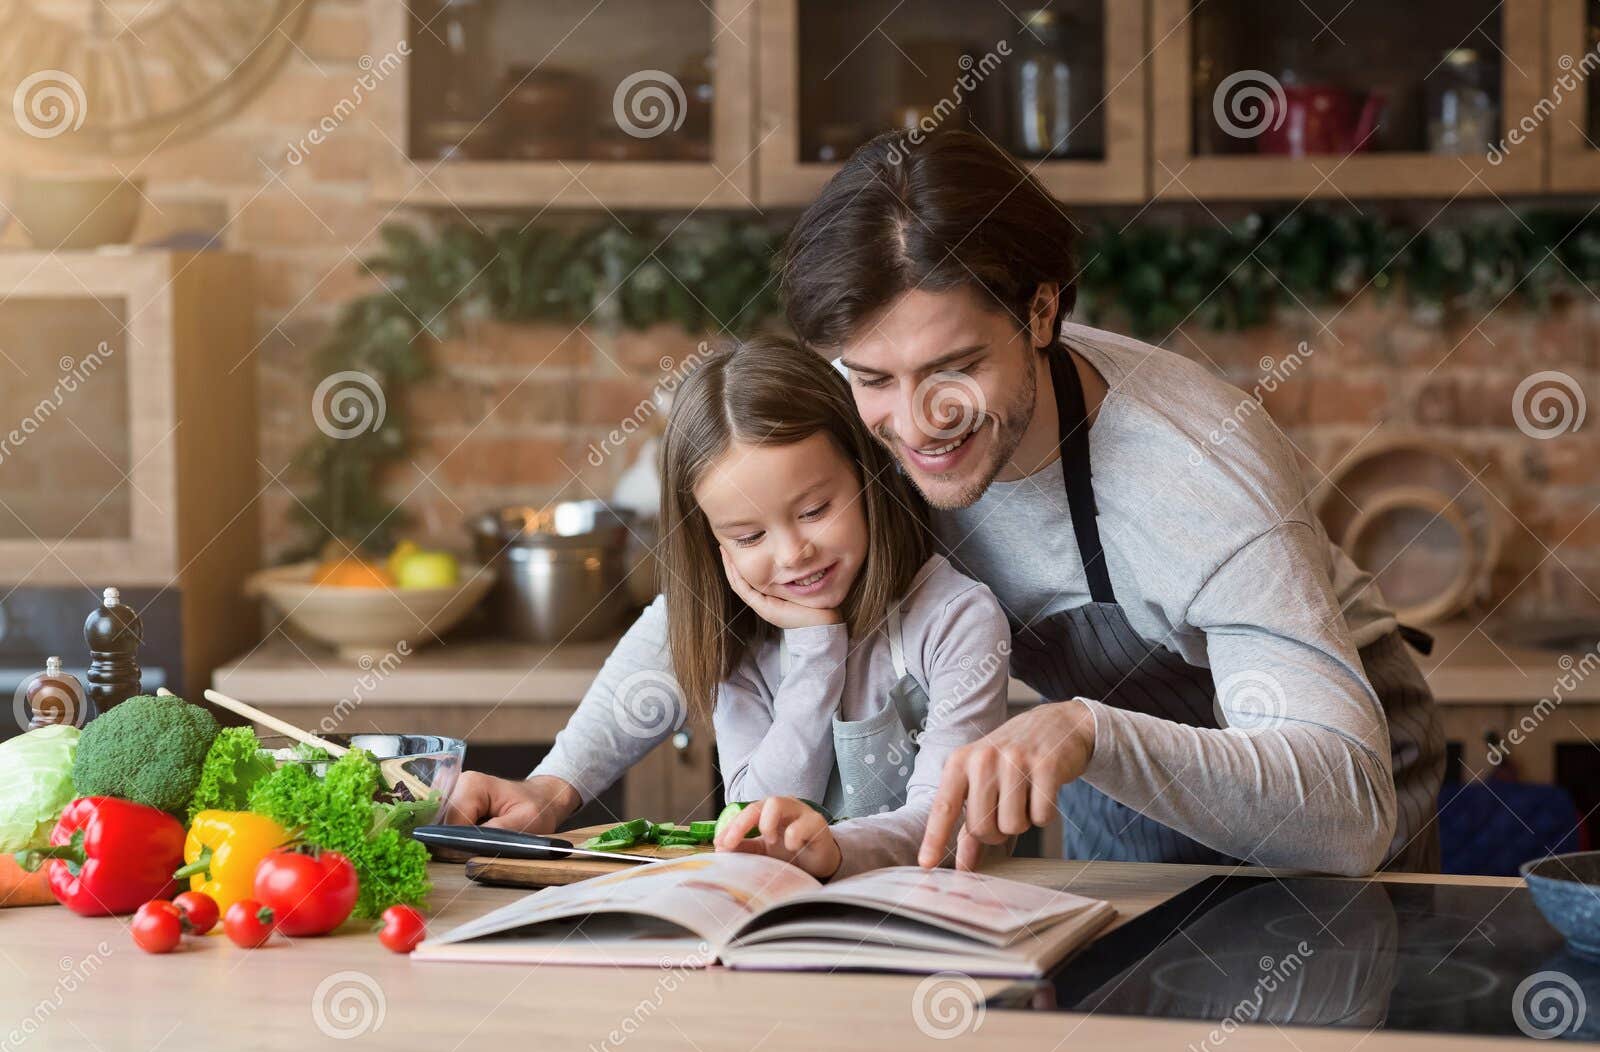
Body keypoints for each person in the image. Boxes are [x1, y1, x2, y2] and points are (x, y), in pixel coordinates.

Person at [449, 129, 1444, 878]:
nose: (916, 421)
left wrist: (1091, 730)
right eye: (873, 376)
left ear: (1041, 310)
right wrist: (556, 782)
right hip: (1105, 759)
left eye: (955, 369)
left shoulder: (1195, 478)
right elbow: (708, 600)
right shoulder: (857, 417)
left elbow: (1344, 810)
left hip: (1316, 765)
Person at [447, 335, 1011, 879]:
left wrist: (830, 849)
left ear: (867, 474)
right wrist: (817, 649)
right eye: (747, 536)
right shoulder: (726, 619)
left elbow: (941, 825)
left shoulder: (956, 620)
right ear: (709, 542)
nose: (794, 554)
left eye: (815, 510)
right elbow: (751, 821)